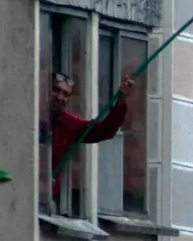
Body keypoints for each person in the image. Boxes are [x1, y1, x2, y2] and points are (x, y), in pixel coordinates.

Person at [42, 72, 135, 208]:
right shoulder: (32, 115)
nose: (60, 97)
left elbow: (103, 131)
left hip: (46, 197)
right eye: (56, 90)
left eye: (66, 94)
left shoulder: (67, 124)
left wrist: (120, 101)